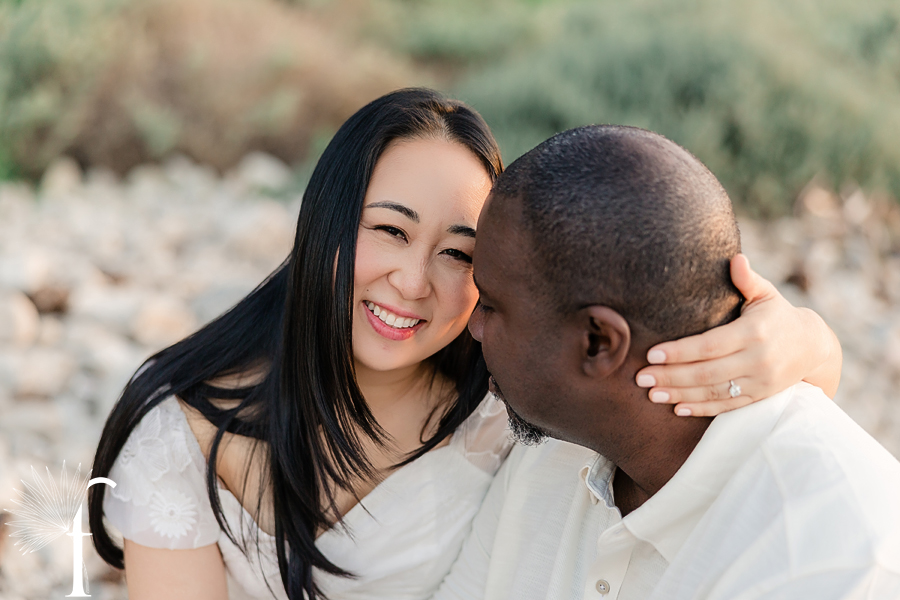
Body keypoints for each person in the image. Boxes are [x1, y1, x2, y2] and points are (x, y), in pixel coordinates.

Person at [87, 90, 843, 600]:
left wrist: (802, 340)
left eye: (458, 253)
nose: (413, 283)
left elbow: (704, 415)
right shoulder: (184, 428)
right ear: (325, 223)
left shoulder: (518, 394)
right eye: (389, 231)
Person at [434, 125, 900, 600]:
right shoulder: (553, 441)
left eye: (491, 305)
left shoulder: (843, 561)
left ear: (598, 343)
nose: (473, 326)